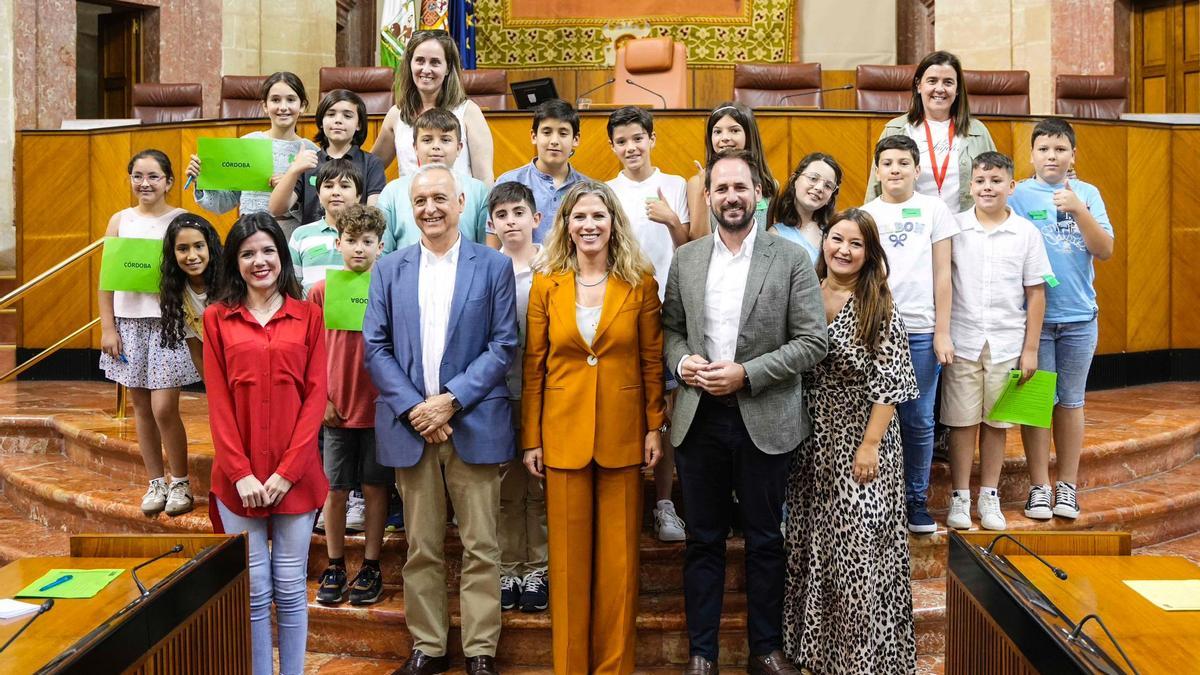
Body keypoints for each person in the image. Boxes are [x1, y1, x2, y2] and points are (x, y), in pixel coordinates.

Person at [662, 150, 827, 675]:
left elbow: (812, 342)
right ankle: (702, 654)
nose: (731, 196)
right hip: (699, 419)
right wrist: (682, 359)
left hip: (766, 417)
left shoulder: (791, 258)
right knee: (703, 540)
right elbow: (669, 329)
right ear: (707, 197)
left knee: (764, 539)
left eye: (741, 187)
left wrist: (747, 373)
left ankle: (766, 650)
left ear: (758, 195)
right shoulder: (687, 259)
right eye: (721, 188)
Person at [363, 164, 517, 675]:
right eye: (421, 199)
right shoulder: (389, 268)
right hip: (412, 428)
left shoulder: (491, 265)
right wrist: (416, 408)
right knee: (421, 547)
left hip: (472, 423)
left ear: (460, 204)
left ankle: (480, 652)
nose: (430, 208)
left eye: (440, 198)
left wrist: (448, 401)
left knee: (481, 547)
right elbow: (376, 347)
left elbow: (503, 347)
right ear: (412, 207)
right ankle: (428, 646)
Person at [521, 181, 666, 674]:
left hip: (624, 435)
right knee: (566, 566)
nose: (589, 225)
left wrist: (653, 427)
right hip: (561, 436)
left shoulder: (640, 280)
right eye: (579, 216)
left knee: (619, 568)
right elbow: (533, 364)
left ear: (613, 223)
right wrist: (532, 438)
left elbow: (652, 360)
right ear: (566, 223)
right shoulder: (547, 282)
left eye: (598, 217)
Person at [782, 208, 918, 674]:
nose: (844, 249)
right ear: (823, 242)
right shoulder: (806, 292)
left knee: (858, 546)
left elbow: (893, 378)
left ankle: (863, 660)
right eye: (837, 239)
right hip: (811, 439)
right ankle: (818, 653)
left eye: (856, 244)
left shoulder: (877, 302)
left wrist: (870, 444)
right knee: (814, 542)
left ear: (869, 252)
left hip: (864, 436)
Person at [204, 212, 328, 675]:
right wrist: (241, 475)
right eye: (248, 253)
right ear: (234, 262)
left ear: (283, 256)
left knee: (291, 588)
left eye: (267, 251)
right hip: (240, 479)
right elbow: (217, 402)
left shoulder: (309, 315)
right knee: (255, 590)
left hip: (294, 476)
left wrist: (285, 474)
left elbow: (316, 397)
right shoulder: (217, 319)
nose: (260, 261)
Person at [1010, 118, 1114, 521]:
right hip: (1033, 321)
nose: (1051, 156)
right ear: (1032, 154)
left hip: (1078, 318)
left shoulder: (1087, 193)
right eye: (1043, 149)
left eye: (1060, 149)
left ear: (1073, 155)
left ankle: (1067, 486)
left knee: (1070, 402)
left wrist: (1079, 211)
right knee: (1035, 404)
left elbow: (1104, 250)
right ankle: (1040, 486)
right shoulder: (1018, 195)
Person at [944, 152, 1051, 531]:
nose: (987, 187)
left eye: (995, 180)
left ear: (1011, 186)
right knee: (962, 422)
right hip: (962, 340)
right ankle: (959, 496)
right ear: (970, 186)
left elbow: (1036, 293)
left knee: (996, 423)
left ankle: (989, 495)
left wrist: (1031, 349)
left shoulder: (1026, 233)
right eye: (980, 180)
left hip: (1007, 342)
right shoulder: (954, 228)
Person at [861, 134, 958, 535]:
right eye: (888, 162)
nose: (895, 169)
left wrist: (943, 332)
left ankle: (915, 500)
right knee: (874, 419)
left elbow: (942, 274)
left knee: (918, 420)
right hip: (875, 330)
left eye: (904, 162)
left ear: (917, 170)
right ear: (878, 171)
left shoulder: (933, 209)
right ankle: (879, 500)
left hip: (920, 331)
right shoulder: (865, 214)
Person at [604, 105, 689, 542]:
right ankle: (624, 500)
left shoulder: (674, 185)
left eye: (638, 138)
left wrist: (673, 219)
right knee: (624, 404)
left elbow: (690, 248)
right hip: (619, 310)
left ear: (652, 139)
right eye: (621, 141)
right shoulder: (606, 191)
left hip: (669, 311)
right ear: (613, 147)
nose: (631, 147)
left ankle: (664, 502)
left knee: (665, 411)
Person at [99, 149, 199, 518]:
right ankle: (155, 482)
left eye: (154, 176)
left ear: (169, 182)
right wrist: (108, 326)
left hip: (168, 322)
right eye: (138, 175)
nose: (145, 183)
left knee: (164, 407)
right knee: (141, 406)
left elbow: (197, 265)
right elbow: (106, 279)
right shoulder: (119, 220)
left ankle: (181, 481)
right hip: (129, 324)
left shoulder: (182, 219)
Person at [309, 204, 390, 606]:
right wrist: (320, 396)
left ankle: (372, 564)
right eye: (351, 241)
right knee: (336, 490)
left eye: (368, 242)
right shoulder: (322, 290)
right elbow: (310, 352)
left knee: (376, 488)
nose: (359, 249)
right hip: (336, 409)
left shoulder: (388, 285)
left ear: (381, 245)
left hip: (380, 409)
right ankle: (336, 563)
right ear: (337, 243)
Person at [490, 182, 549, 613]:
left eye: (518, 212)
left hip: (546, 392)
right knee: (507, 486)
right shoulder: (486, 266)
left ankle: (539, 568)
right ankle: (509, 566)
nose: (511, 221)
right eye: (503, 214)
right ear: (491, 223)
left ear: (536, 219)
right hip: (499, 392)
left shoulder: (553, 266)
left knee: (540, 485)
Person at [186, 71, 319, 238]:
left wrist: (288, 190)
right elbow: (226, 201)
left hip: (291, 240)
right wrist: (202, 180)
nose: (283, 107)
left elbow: (316, 210)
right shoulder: (248, 143)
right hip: (250, 235)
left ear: (302, 105)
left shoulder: (311, 151)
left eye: (291, 100)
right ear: (265, 105)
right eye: (275, 100)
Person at [865, 50, 997, 215]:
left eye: (948, 82)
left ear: (957, 89)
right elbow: (875, 188)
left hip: (964, 228)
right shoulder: (895, 130)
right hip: (910, 227)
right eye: (932, 81)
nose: (940, 89)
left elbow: (996, 181)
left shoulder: (978, 131)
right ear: (919, 86)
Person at [370, 30, 494, 183]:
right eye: (420, 61)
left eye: (435, 62)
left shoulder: (468, 112)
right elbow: (370, 168)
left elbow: (485, 180)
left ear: (448, 68)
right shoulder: (396, 114)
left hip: (459, 204)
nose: (426, 69)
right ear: (410, 64)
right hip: (411, 204)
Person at [378, 107, 490, 253]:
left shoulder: (478, 191)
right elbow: (382, 253)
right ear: (415, 148)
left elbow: (486, 249)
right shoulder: (392, 192)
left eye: (445, 140)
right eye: (427, 140)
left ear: (459, 148)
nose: (436, 146)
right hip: (406, 273)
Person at [268, 89, 386, 226]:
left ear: (359, 124)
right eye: (330, 114)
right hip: (313, 242)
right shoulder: (308, 162)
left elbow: (374, 213)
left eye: (347, 116)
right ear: (321, 122)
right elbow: (276, 209)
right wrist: (293, 170)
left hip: (355, 241)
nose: (338, 121)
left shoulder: (371, 163)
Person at [495, 99, 590, 243]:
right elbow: (493, 244)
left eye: (563, 133)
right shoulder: (509, 181)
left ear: (575, 139)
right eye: (547, 132)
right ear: (534, 136)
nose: (554, 141)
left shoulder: (587, 187)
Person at [685, 102, 777, 241]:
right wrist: (701, 191)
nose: (725, 137)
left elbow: (769, 236)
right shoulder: (696, 183)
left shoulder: (769, 183)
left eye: (734, 130)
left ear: (749, 134)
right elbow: (698, 242)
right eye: (717, 131)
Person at [159, 212, 223, 377]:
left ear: (210, 246)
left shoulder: (230, 284)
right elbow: (197, 353)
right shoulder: (177, 293)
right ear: (173, 253)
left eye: (199, 246)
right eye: (183, 249)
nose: (192, 256)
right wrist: (214, 391)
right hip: (217, 371)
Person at [288, 159, 363, 294]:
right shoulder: (301, 235)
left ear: (358, 196)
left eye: (344, 186)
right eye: (328, 186)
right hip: (310, 312)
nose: (335, 192)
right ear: (318, 194)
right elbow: (293, 285)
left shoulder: (368, 237)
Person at [767, 152, 842, 265]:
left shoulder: (833, 232)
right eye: (813, 178)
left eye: (828, 186)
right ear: (794, 180)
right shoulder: (775, 235)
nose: (819, 188)